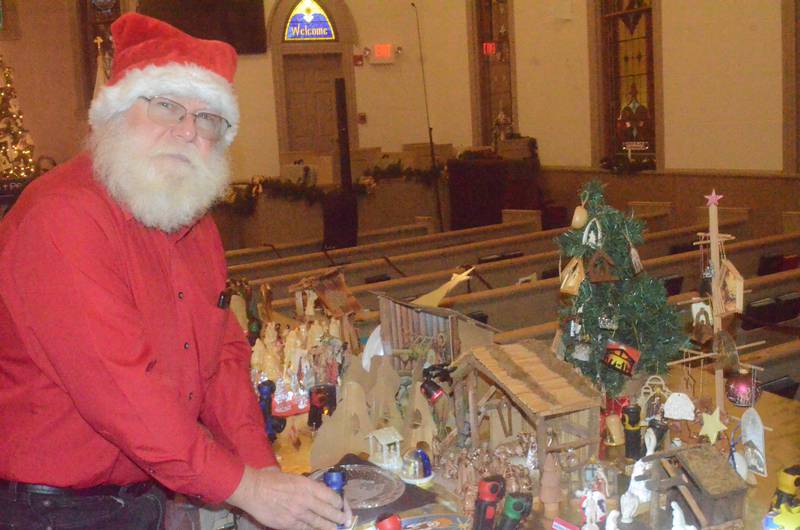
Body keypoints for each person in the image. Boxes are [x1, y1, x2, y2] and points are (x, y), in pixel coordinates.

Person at [0, 13, 349, 530]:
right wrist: (247, 489)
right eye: (167, 105)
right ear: (117, 112)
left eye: (208, 117)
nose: (188, 130)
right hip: (53, 509)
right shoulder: (64, 215)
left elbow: (220, 359)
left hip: (141, 495)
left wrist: (262, 472)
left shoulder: (190, 220)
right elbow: (122, 391)